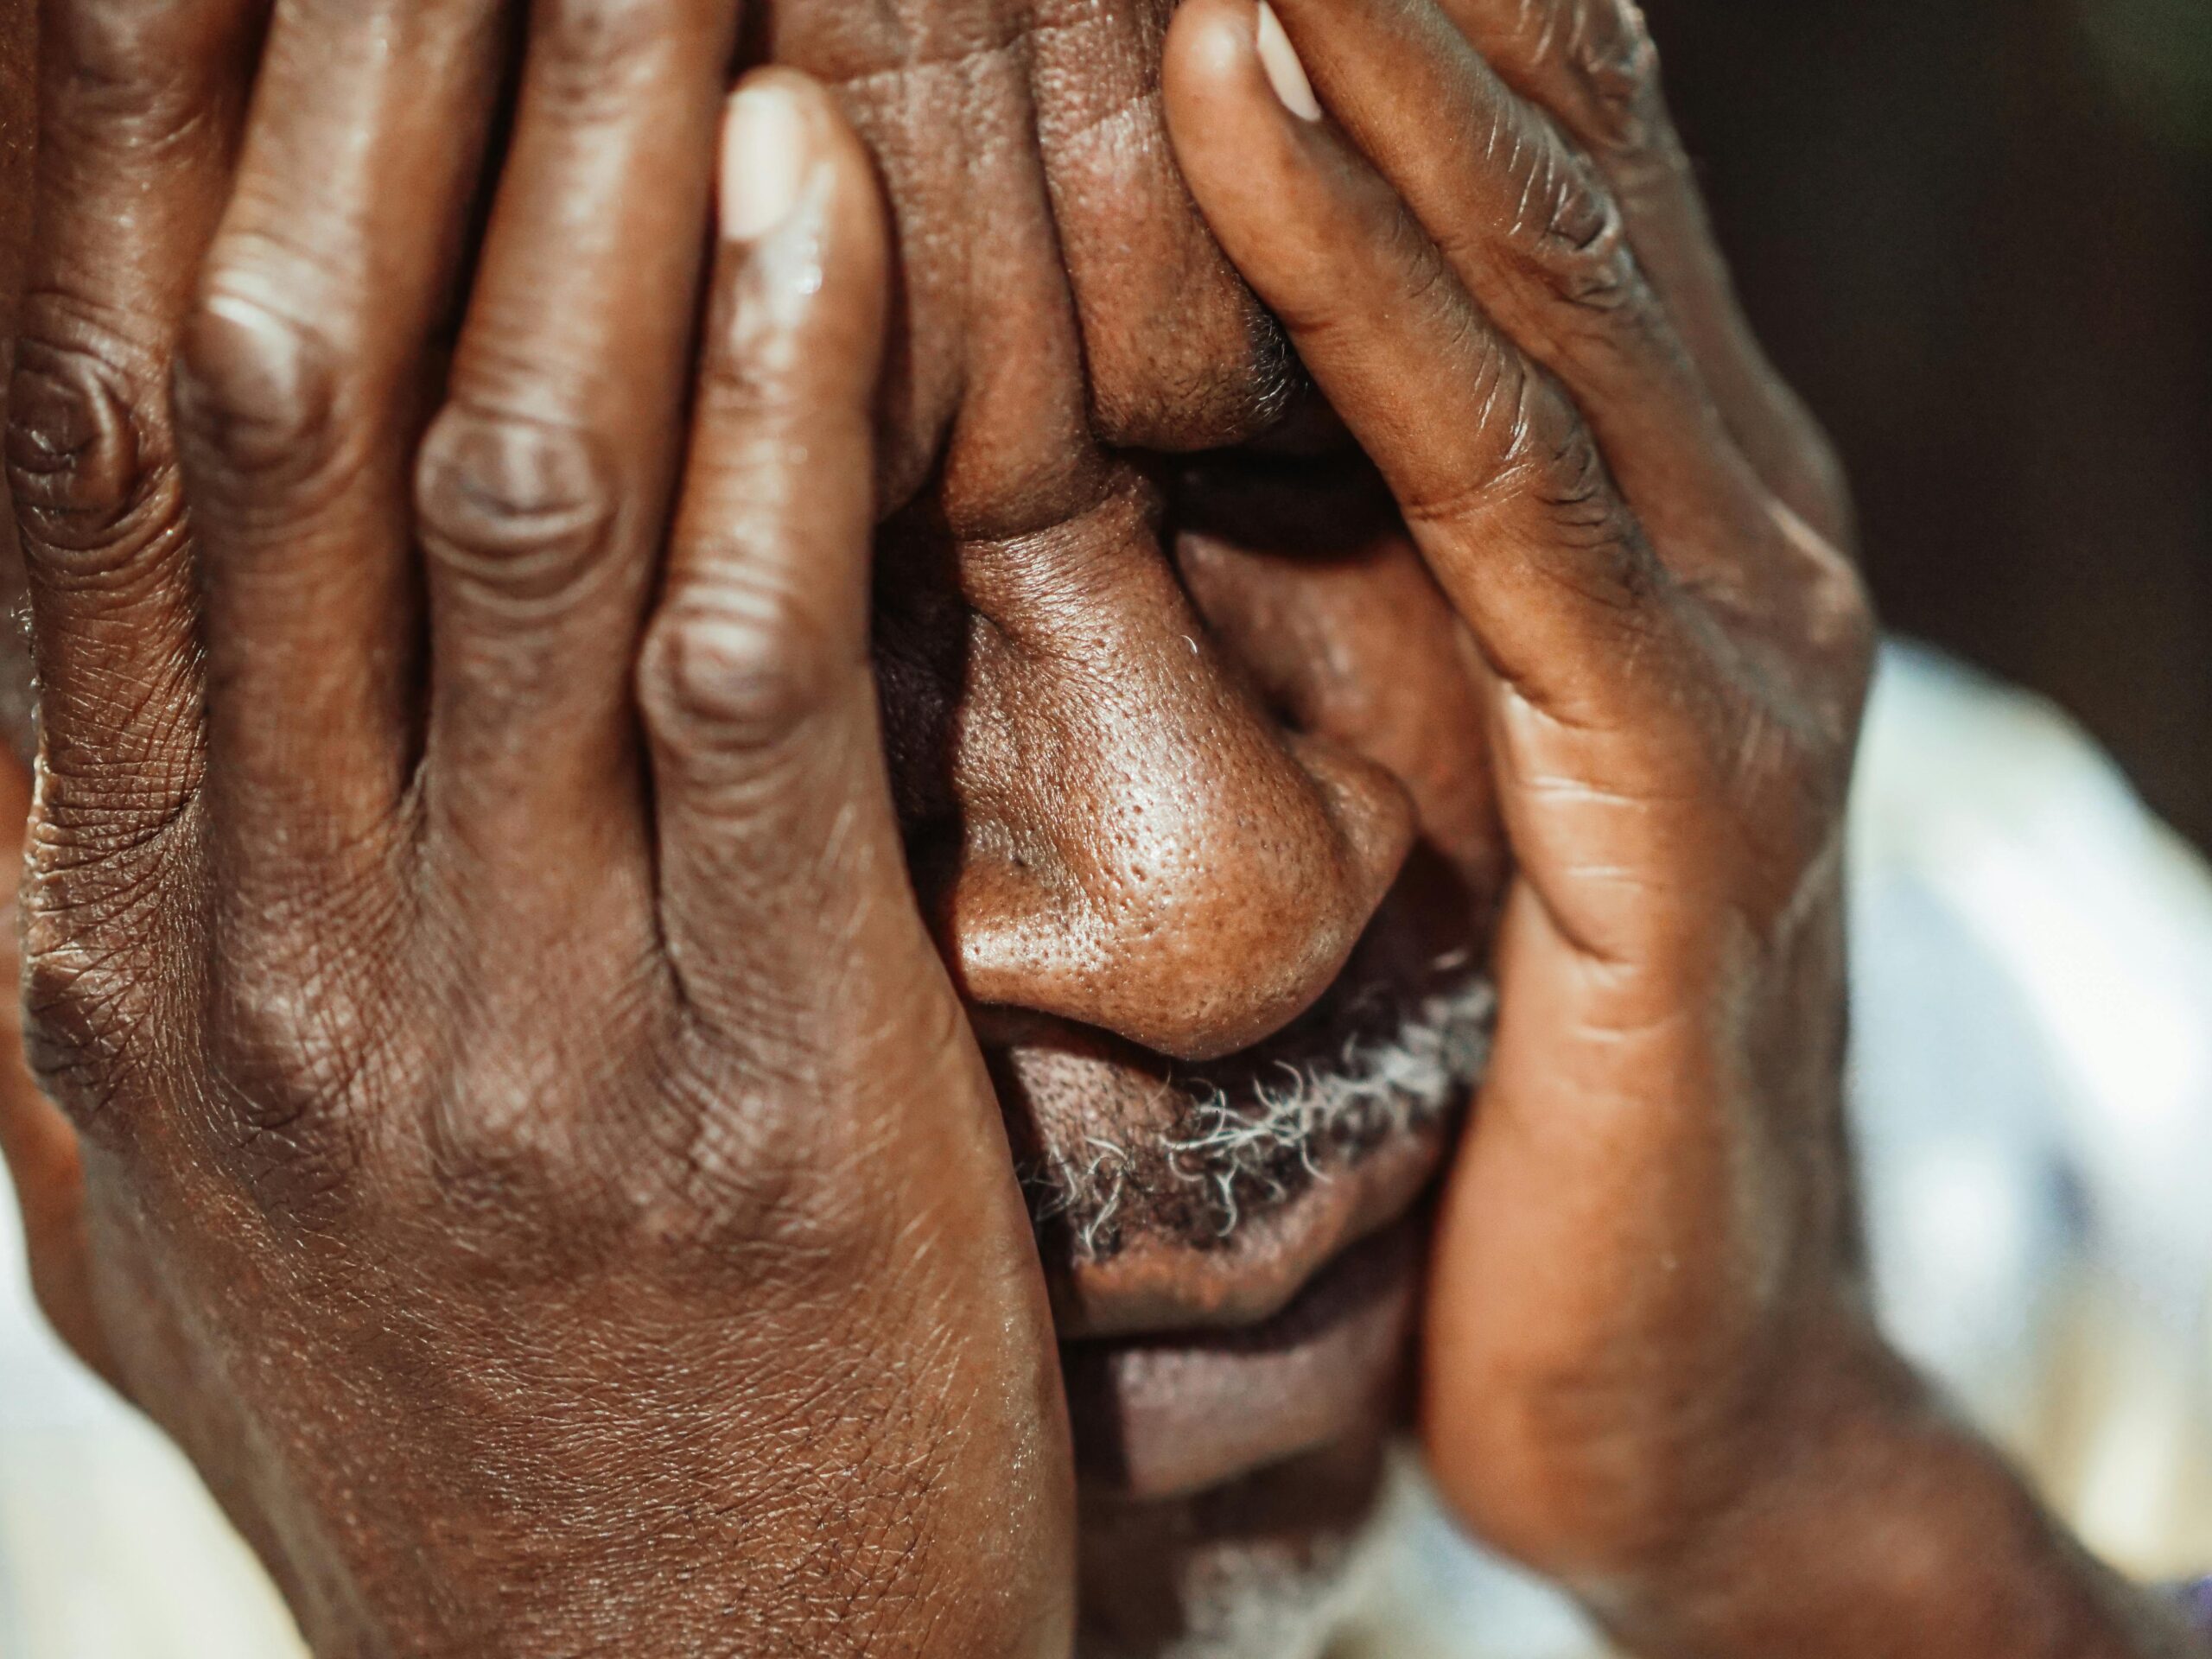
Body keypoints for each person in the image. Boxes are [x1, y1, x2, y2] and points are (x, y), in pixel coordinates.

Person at [0, 1, 2204, 1656]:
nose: (1219, 900)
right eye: (750, 622)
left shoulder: (1989, 986)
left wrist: (1811, 1514)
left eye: (1304, 462)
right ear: (59, 855)